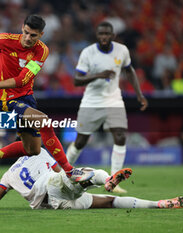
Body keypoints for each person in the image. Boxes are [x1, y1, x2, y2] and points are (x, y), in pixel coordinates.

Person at [0, 14, 92, 182]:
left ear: (41, 35)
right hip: (6, 101)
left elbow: (22, 80)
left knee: (33, 149)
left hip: (26, 98)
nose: (28, 38)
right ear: (22, 28)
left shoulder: (41, 50)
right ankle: (69, 171)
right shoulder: (5, 39)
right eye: (26, 33)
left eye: (33, 35)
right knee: (44, 122)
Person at [66, 21, 148, 193]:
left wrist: (139, 94)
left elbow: (129, 70)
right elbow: (76, 80)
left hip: (113, 100)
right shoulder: (88, 52)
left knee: (120, 136)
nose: (103, 37)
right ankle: (63, 170)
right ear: (97, 36)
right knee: (80, 141)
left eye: (107, 34)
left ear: (113, 35)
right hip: (91, 101)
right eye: (100, 34)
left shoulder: (122, 50)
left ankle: (114, 180)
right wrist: (98, 75)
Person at [0, 148, 183, 210]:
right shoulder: (40, 151)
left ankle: (160, 204)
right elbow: (58, 169)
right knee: (78, 176)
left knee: (108, 202)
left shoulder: (8, 174)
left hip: (52, 203)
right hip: (52, 184)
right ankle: (106, 179)